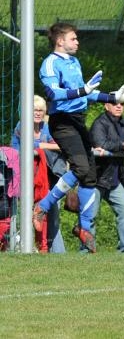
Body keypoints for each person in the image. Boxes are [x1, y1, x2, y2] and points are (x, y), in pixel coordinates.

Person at [33, 22, 124, 253]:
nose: (77, 42)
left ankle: (83, 228)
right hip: (63, 122)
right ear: (60, 41)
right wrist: (83, 91)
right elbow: (53, 93)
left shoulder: (74, 62)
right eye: (73, 38)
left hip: (78, 121)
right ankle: (43, 206)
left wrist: (112, 96)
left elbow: (86, 95)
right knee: (81, 168)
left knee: (90, 176)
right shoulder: (50, 63)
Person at [12, 94, 67, 253]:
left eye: (41, 110)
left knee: (52, 214)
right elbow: (21, 147)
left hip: (51, 176)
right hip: (27, 178)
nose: (38, 113)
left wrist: (40, 146)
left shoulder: (48, 127)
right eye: (34, 110)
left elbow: (61, 144)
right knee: (28, 214)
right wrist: (47, 145)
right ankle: (27, 247)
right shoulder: (21, 126)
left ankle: (56, 252)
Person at [89, 100, 124, 253]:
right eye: (115, 103)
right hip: (96, 178)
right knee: (89, 216)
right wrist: (123, 145)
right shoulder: (99, 123)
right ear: (106, 106)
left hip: (114, 179)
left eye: (122, 104)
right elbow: (100, 143)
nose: (119, 106)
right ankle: (86, 252)